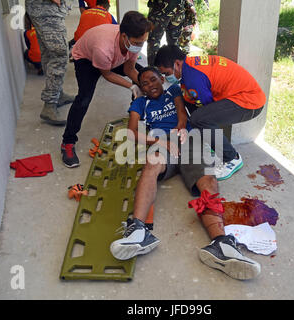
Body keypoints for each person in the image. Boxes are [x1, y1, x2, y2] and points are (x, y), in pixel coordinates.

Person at [109, 67, 261, 280]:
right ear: (140, 88)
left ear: (162, 79)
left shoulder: (173, 91)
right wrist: (161, 141)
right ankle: (138, 231)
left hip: (188, 140)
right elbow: (132, 133)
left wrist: (181, 129)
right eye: (144, 84)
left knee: (208, 181)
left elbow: (182, 112)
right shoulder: (140, 103)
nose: (150, 85)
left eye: (154, 80)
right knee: (151, 166)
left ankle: (221, 245)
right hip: (161, 142)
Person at [154, 45, 266, 181]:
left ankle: (231, 158)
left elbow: (207, 112)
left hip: (249, 101)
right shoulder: (189, 67)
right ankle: (211, 142)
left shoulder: (193, 78)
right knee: (189, 100)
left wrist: (196, 124)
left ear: (177, 63)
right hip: (239, 95)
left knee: (199, 119)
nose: (166, 78)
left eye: (166, 73)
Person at [60, 11, 151, 168]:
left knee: (145, 76)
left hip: (108, 57)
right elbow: (107, 74)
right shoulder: (104, 49)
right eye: (137, 42)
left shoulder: (133, 45)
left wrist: (144, 86)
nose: (140, 46)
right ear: (124, 36)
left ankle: (136, 112)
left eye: (143, 42)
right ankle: (67, 143)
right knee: (84, 98)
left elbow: (130, 69)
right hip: (86, 59)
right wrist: (131, 86)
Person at [25, 0, 75, 126]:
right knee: (59, 55)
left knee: (49, 54)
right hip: (46, 10)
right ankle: (50, 103)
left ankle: (57, 94)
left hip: (44, 9)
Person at [146, 0, 186, 66]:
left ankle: (153, 72)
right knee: (174, 41)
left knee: (154, 40)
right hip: (178, 6)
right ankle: (176, 71)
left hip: (161, 7)